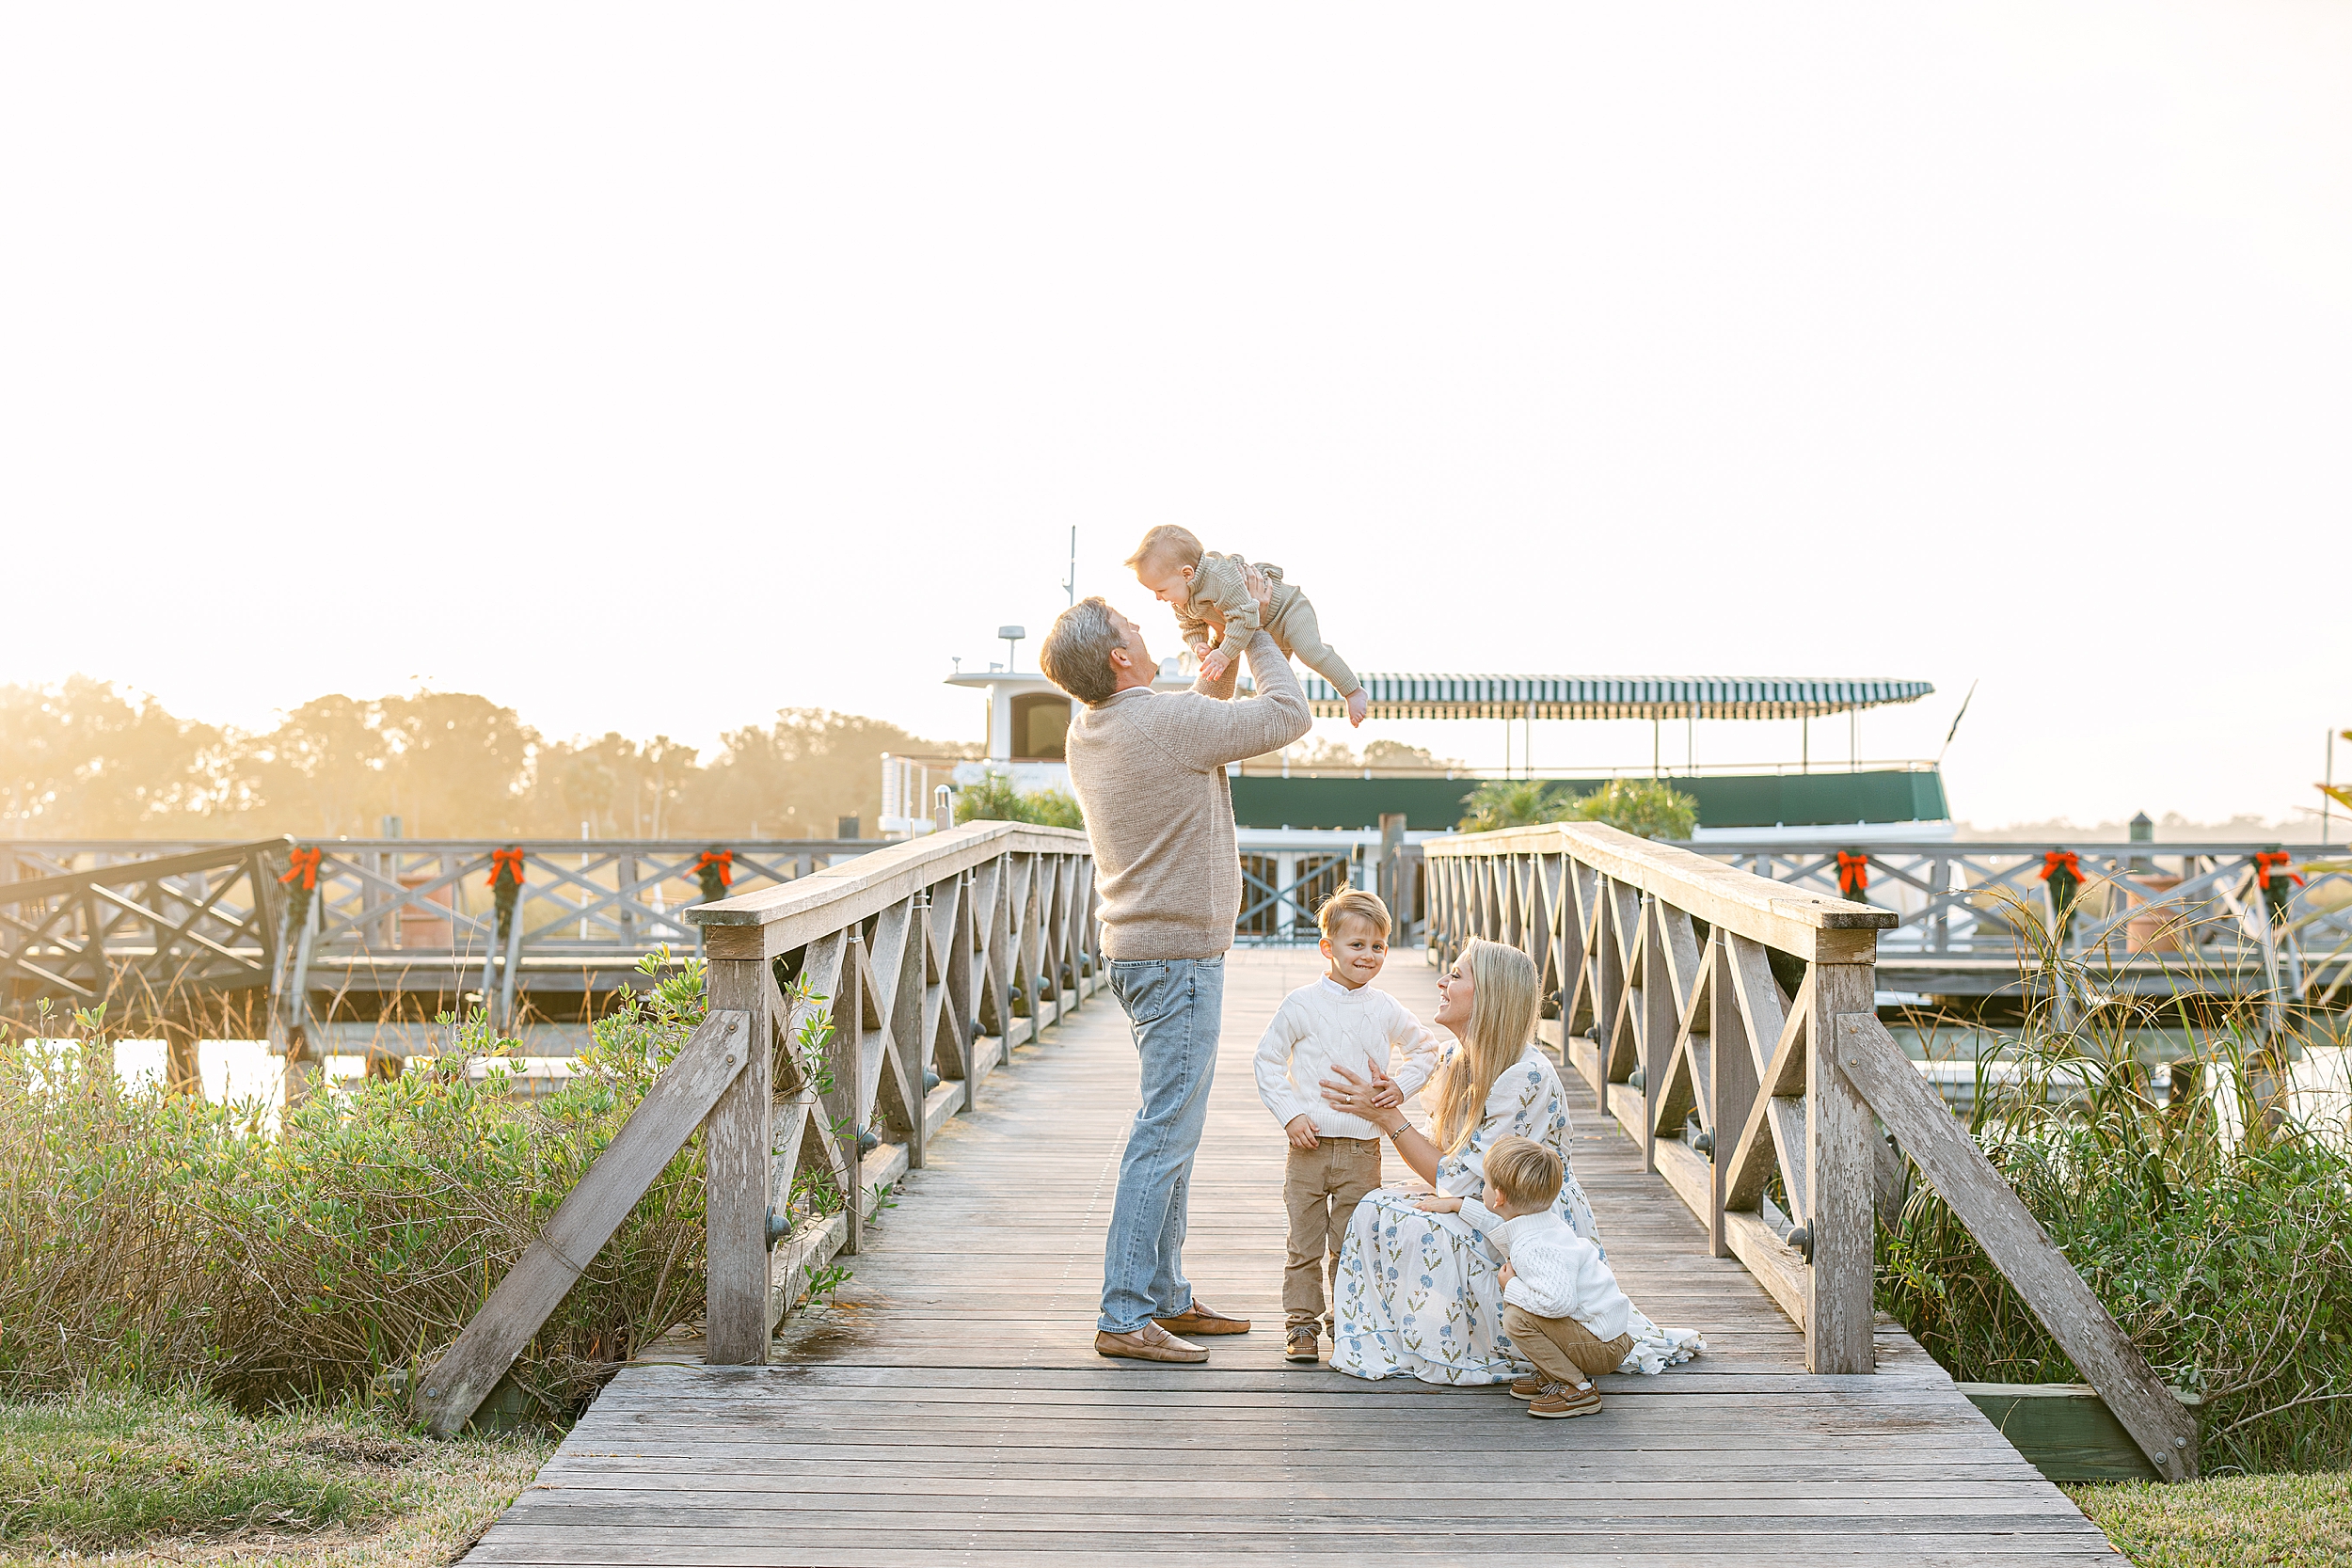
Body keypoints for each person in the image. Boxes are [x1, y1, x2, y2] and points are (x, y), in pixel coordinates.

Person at [1038, 583, 1312, 1364]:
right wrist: (1254, 631)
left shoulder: (1093, 727)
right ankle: (1124, 1311)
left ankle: (1163, 1293)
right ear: (1121, 656)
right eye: (1132, 624)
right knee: (1163, 1135)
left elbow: (1195, 721)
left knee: (1174, 1130)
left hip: (1139, 954)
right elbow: (1287, 716)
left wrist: (1217, 654)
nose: (1144, 625)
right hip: (1180, 961)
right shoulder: (1161, 722)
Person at [1318, 937, 1701, 1385]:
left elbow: (1456, 1183)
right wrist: (1388, 1094)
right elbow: (1450, 1165)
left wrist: (1385, 1116)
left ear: (1491, 996)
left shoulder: (1525, 1075)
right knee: (1376, 1207)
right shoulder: (1454, 1059)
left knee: (1410, 1219)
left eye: (1457, 975)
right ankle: (1398, 1334)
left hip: (1531, 1215)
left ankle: (1486, 1343)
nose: (1441, 982)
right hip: (1483, 1196)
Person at [1251, 888, 1442, 1365]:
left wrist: (1400, 1087)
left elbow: (1426, 1048)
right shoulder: (1301, 1004)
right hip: (1309, 1146)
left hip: (1362, 1150)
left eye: (1378, 946)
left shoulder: (1385, 1007)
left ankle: (1348, 1321)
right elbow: (1267, 1060)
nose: (1368, 955)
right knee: (1304, 1244)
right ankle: (1301, 1325)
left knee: (1352, 1243)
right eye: (1356, 944)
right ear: (1327, 947)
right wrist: (1291, 1114)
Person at [1421, 1134, 1633, 1418]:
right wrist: (1459, 1205)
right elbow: (1501, 1227)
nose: (1482, 1188)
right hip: (1604, 1334)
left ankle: (1578, 1388)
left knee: (1517, 1319)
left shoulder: (1536, 1247)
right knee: (1522, 1311)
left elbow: (1559, 1303)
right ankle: (1553, 1374)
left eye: (1485, 1183)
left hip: (1602, 1347)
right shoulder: (1541, 1223)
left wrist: (1512, 1286)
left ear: (1498, 1197)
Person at [1124, 524, 1372, 726]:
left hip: (1287, 611)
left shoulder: (1221, 580)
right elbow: (1189, 625)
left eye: (1161, 590)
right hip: (1266, 628)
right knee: (1271, 683)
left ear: (1187, 574)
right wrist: (1198, 643)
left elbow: (1244, 618)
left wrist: (1224, 654)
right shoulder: (1181, 597)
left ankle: (1352, 690)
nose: (1158, 597)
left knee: (1310, 651)